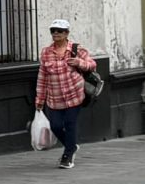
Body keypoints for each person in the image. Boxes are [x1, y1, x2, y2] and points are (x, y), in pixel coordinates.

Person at [33, 20, 97, 169]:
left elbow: (92, 64)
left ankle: (68, 155)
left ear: (66, 33)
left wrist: (80, 63)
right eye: (53, 30)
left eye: (59, 31)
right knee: (55, 126)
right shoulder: (46, 52)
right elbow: (42, 77)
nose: (56, 33)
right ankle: (72, 145)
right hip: (54, 98)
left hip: (74, 95)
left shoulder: (76, 49)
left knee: (70, 124)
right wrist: (40, 99)